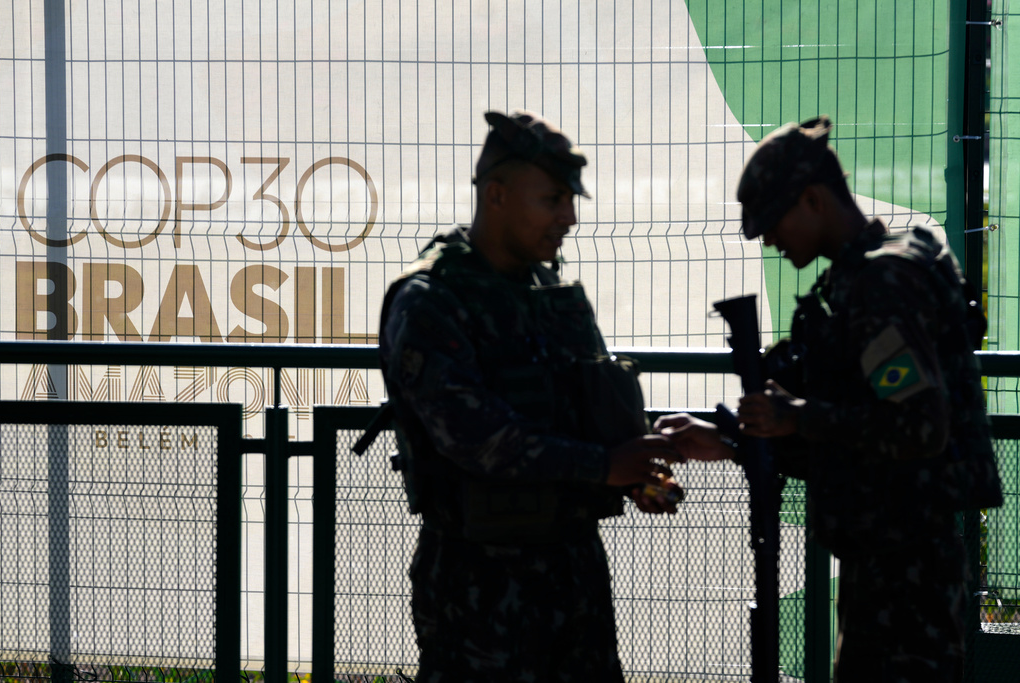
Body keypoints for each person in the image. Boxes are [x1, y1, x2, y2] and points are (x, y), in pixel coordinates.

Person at [655, 116, 1002, 682]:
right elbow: (855, 424)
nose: (769, 240)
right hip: (891, 561)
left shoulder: (882, 284)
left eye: (774, 221)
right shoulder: (867, 275)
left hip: (905, 574)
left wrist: (798, 417)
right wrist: (732, 439)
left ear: (813, 200)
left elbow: (919, 425)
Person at [378, 109, 683, 682]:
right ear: (496, 195)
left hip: (574, 581)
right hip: (481, 593)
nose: (569, 218)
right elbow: (478, 440)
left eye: (570, 201)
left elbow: (585, 405)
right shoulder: (431, 301)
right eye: (552, 200)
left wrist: (638, 468)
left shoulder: (550, 293)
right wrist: (604, 466)